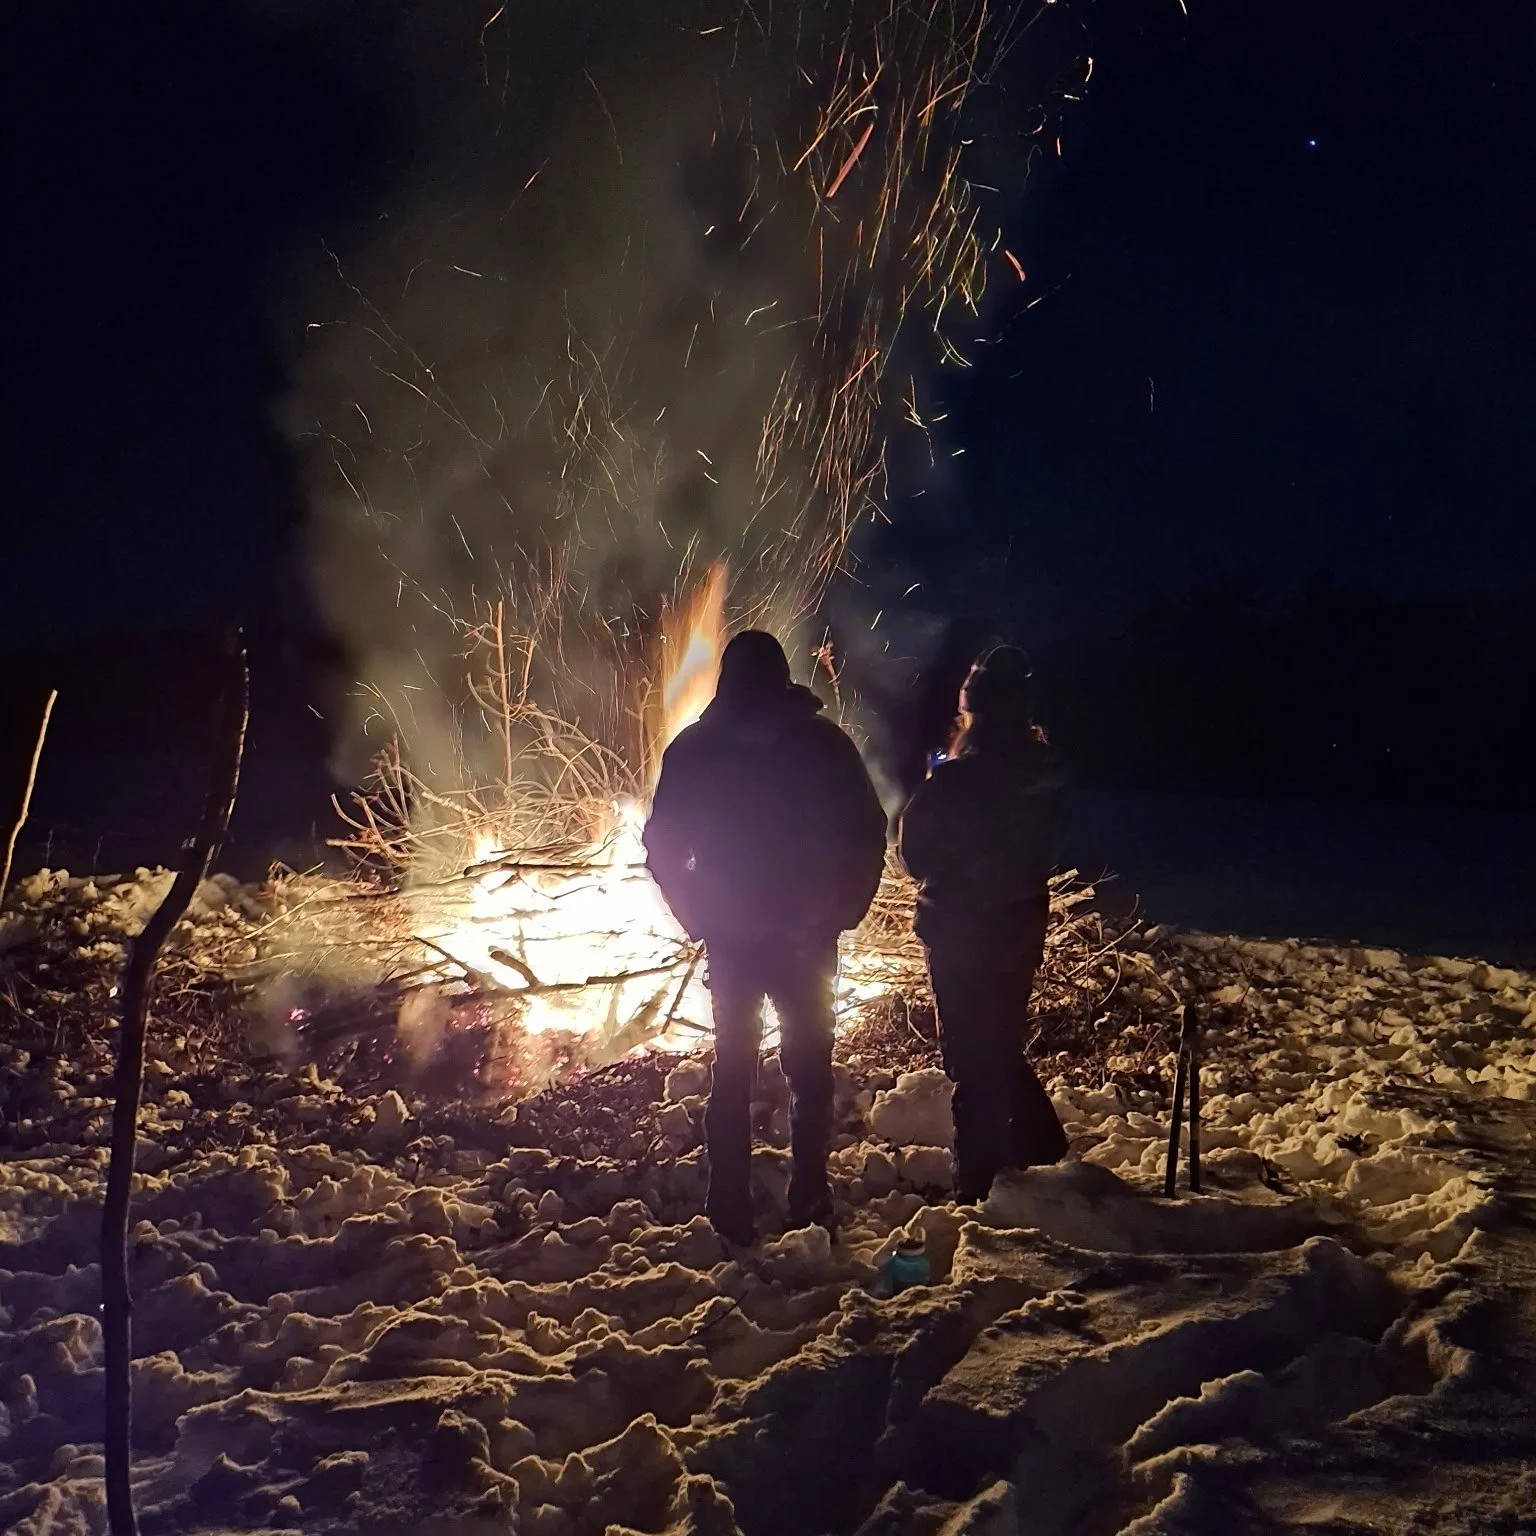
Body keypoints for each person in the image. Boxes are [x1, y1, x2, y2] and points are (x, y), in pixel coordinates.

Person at [644, 630, 888, 1245]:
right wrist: (844, 908)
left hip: (741, 937)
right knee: (808, 1070)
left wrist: (697, 914)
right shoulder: (821, 743)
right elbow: (868, 832)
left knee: (736, 1070)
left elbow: (663, 847)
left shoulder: (699, 748)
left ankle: (732, 1206)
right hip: (803, 937)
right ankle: (807, 1196)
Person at [897, 645, 1069, 1203]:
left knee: (971, 1059)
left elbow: (914, 856)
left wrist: (934, 796)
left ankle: (978, 1188)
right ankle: (1040, 1148)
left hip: (958, 932)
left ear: (973, 712)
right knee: (996, 1043)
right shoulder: (1043, 776)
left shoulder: (955, 782)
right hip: (1019, 929)